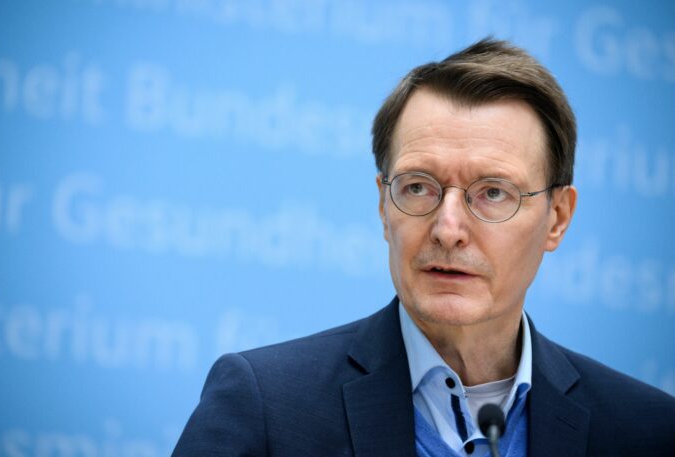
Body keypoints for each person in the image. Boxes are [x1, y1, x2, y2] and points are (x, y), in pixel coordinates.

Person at [172, 39, 675, 457]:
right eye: (418, 187)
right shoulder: (267, 407)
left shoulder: (646, 428)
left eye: (493, 192)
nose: (448, 229)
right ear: (383, 206)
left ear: (557, 218)